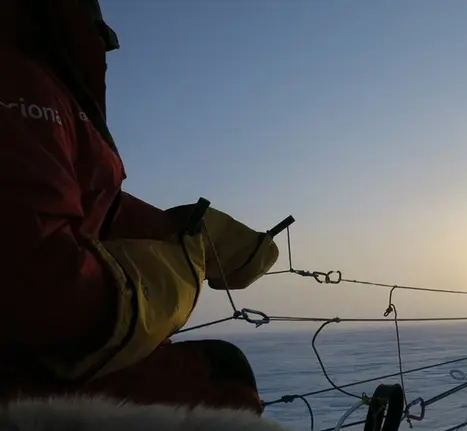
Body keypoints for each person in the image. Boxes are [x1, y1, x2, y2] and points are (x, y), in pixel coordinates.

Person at [0, 0, 278, 416]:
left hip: (38, 364)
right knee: (220, 379)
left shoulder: (46, 88)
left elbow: (101, 209)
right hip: (23, 381)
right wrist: (178, 273)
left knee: (220, 369)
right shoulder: (18, 80)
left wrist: (190, 230)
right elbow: (40, 291)